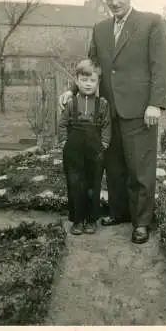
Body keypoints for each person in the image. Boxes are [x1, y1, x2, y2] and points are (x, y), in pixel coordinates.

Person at [60, 0, 166, 244]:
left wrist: (155, 103)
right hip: (108, 112)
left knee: (140, 169)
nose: (114, 1)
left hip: (140, 109)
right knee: (115, 166)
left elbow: (160, 66)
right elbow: (91, 67)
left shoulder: (151, 23)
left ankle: (142, 222)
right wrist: (72, 91)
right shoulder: (100, 28)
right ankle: (120, 213)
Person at [58, 59, 111, 235]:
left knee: (93, 184)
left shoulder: (102, 104)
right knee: (75, 183)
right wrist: (64, 142)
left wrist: (103, 144)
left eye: (92, 81)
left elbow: (106, 125)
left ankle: (91, 220)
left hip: (94, 151)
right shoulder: (71, 103)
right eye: (84, 80)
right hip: (74, 150)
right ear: (77, 80)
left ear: (98, 82)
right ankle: (77, 220)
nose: (88, 84)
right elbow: (62, 124)